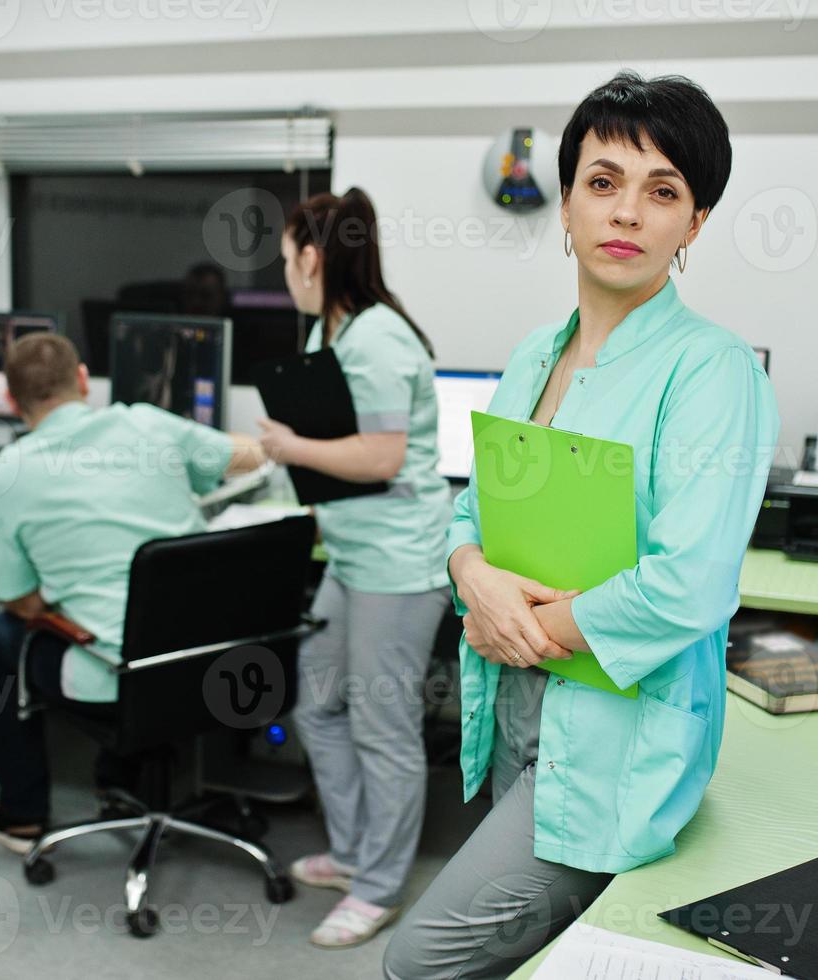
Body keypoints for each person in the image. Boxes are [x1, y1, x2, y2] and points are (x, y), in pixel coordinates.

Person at [380, 72, 781, 978]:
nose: (627, 212)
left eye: (662, 191)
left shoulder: (712, 372)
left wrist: (515, 632)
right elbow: (470, 509)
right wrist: (472, 574)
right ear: (564, 204)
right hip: (517, 712)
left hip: (614, 741)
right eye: (602, 183)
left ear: (694, 225)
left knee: (418, 963)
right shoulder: (534, 354)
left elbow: (689, 585)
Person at [0, 332, 266, 852]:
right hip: (211, 661)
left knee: (2, 636)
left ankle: (21, 814)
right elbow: (246, 457)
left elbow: (22, 603)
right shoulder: (147, 422)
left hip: (120, 678)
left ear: (12, 403)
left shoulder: (2, 478)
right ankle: (120, 778)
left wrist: (66, 596)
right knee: (133, 617)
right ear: (83, 380)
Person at [256, 188, 453, 949]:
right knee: (315, 703)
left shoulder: (376, 339)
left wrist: (288, 449)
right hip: (352, 554)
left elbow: (381, 456)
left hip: (398, 565)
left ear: (312, 256)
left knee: (383, 725)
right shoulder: (329, 330)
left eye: (284, 261)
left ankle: (378, 888)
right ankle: (352, 853)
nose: (284, 276)